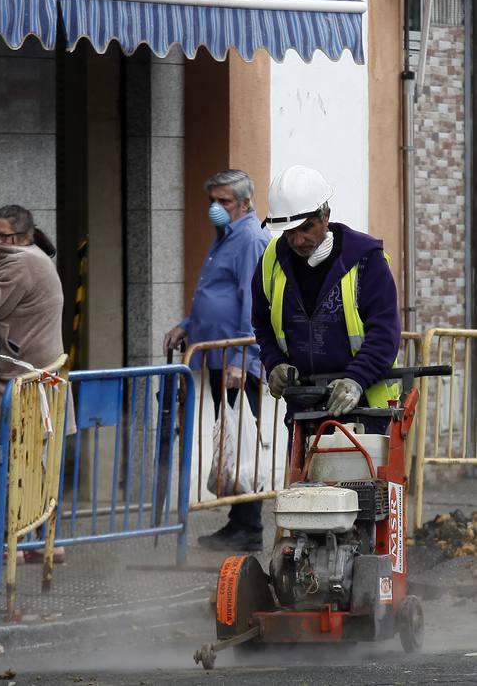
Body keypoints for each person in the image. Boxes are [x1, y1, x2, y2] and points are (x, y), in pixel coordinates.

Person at [163, 170, 270, 553]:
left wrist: (243, 357)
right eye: (213, 200)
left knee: (242, 440)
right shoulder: (226, 238)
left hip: (237, 357)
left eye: (224, 201)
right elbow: (216, 293)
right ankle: (238, 521)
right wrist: (186, 326)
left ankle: (250, 525)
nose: (215, 208)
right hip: (217, 354)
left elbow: (253, 301)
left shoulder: (251, 239)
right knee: (229, 438)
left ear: (244, 204)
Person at [252, 165, 401, 431]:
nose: (298, 240)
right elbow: (262, 324)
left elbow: (385, 333)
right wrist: (274, 363)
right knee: (305, 475)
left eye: (306, 228)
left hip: (365, 408)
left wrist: (356, 379)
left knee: (358, 475)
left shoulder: (365, 259)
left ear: (326, 217)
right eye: (289, 232)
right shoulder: (272, 260)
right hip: (305, 407)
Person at [0, 204, 65, 567]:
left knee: (19, 463)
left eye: (0, 236)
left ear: (21, 236)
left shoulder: (21, 261)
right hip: (34, 374)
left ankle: (12, 544)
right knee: (30, 464)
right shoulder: (32, 257)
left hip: (22, 378)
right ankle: (42, 540)